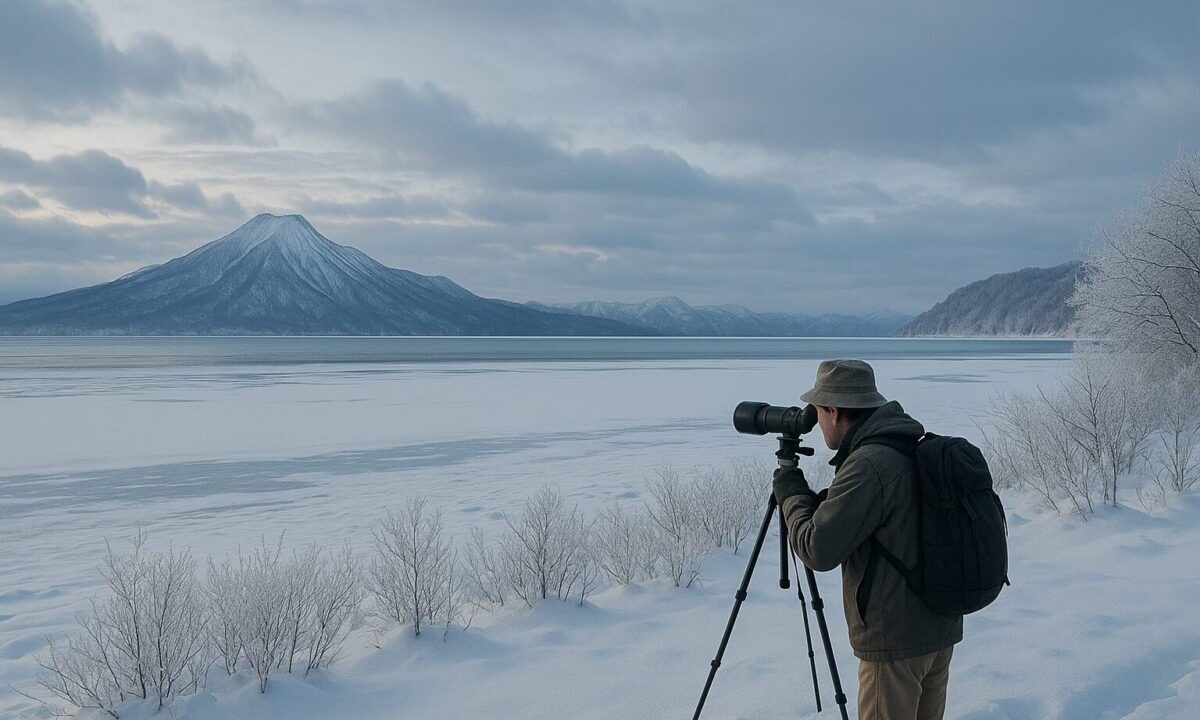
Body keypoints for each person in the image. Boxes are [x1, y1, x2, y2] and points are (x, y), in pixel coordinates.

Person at [774, 359, 962, 720]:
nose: (814, 423)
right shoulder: (906, 442)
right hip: (937, 628)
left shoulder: (869, 464)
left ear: (833, 410)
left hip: (896, 643)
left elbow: (816, 549)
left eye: (817, 412)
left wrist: (791, 493)